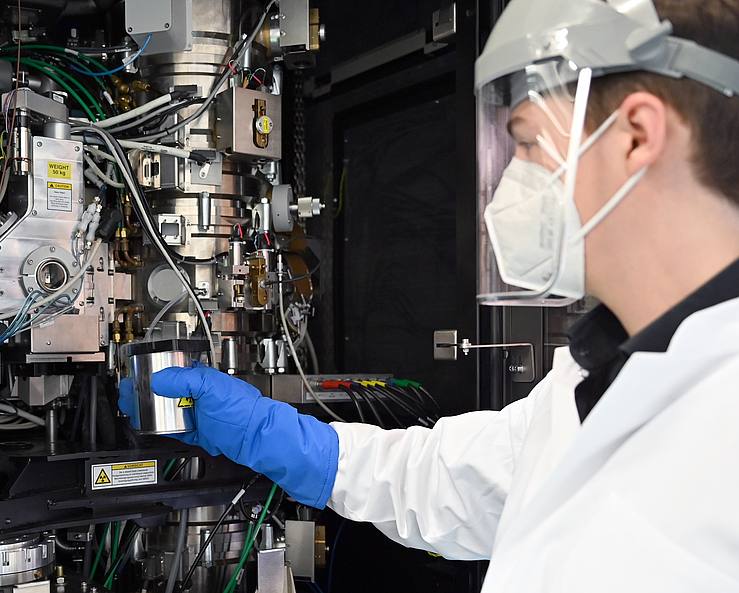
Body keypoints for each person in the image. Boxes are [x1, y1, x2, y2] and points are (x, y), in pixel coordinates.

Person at [121, 0, 739, 589]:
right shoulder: (597, 376)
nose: (503, 192)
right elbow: (452, 484)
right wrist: (280, 440)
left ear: (635, 134)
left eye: (525, 144)